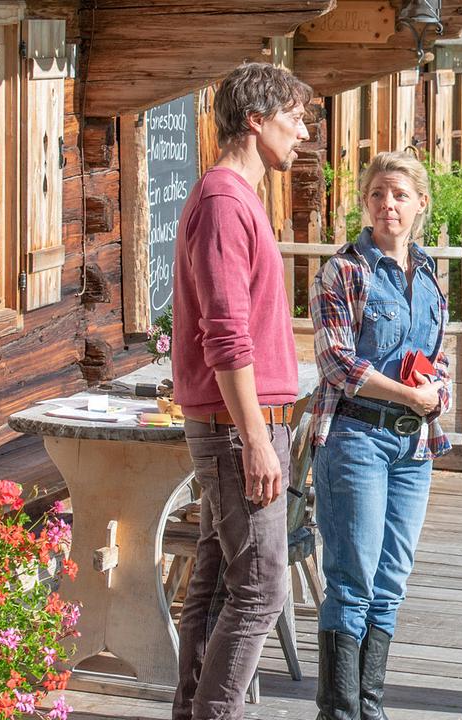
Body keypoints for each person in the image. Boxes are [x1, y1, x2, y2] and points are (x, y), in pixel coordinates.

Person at [170, 62, 312, 720]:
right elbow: (225, 336)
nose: (304, 132)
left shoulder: (233, 198)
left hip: (239, 427)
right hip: (239, 431)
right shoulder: (227, 201)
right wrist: (258, 441)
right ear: (254, 121)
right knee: (258, 590)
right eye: (294, 118)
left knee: (217, 583)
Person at [309, 151, 452, 720]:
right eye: (377, 195)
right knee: (352, 577)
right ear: (365, 203)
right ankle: (338, 712)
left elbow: (433, 358)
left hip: (413, 447)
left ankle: (371, 707)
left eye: (399, 195)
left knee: (391, 578)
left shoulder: (428, 274)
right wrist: (410, 396)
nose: (387, 205)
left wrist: (436, 390)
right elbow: (337, 363)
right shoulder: (343, 271)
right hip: (356, 439)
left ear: (420, 204)